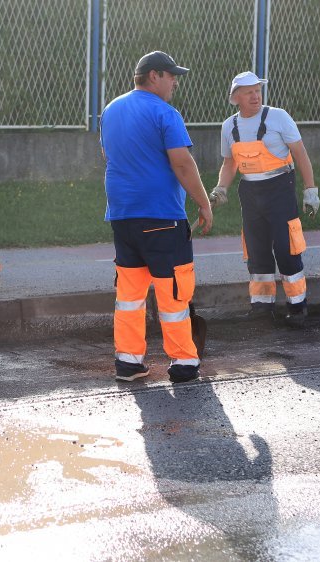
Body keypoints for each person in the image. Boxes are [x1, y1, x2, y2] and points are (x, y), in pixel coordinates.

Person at [100, 51, 213, 384]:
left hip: (122, 216)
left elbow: (108, 156)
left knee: (130, 295)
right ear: (154, 76)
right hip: (162, 215)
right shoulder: (165, 113)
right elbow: (181, 163)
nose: (175, 81)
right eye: (171, 75)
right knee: (173, 292)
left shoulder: (110, 110)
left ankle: (129, 362)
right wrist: (203, 203)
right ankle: (183, 363)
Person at [210, 71, 319, 328]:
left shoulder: (278, 117)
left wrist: (310, 190)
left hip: (280, 187)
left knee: (286, 247)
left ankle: (297, 306)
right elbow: (229, 163)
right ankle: (261, 307)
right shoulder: (229, 126)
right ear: (236, 97)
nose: (255, 95)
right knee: (256, 250)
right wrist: (221, 188)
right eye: (248, 92)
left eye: (257, 90)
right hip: (250, 192)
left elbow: (300, 154)